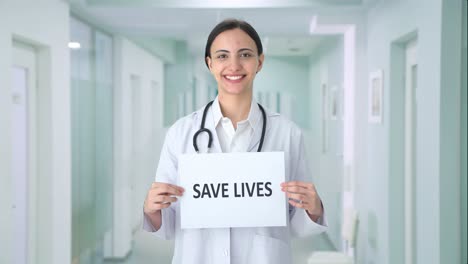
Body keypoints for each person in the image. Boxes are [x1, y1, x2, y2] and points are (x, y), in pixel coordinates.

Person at [143, 18, 327, 264]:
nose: (234, 65)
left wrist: (314, 208)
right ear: (209, 63)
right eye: (222, 56)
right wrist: (152, 209)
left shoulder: (287, 133)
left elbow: (297, 222)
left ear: (259, 62)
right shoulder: (181, 133)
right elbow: (167, 223)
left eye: (245, 54)